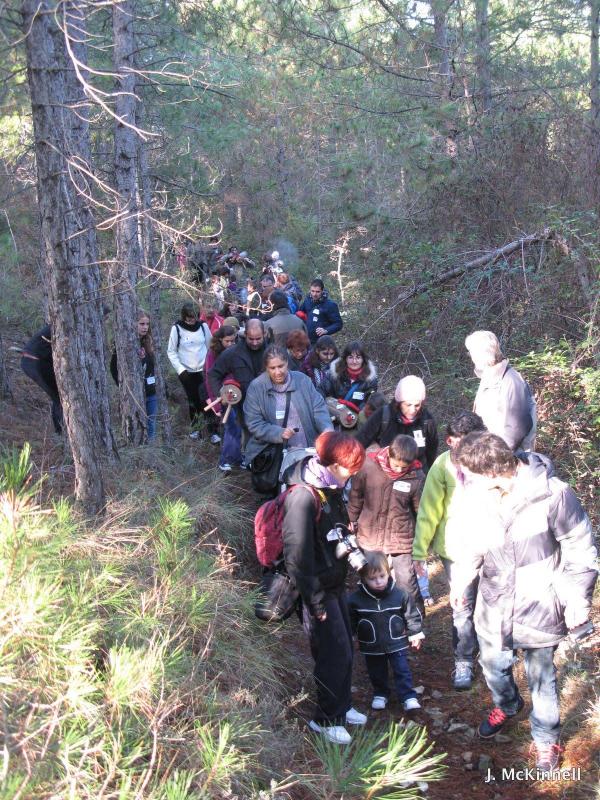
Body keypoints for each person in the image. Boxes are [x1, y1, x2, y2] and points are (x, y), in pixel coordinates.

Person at [450, 432, 597, 772]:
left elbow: (581, 548)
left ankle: (546, 740)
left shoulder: (554, 494)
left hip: (540, 603)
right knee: (493, 667)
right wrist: (461, 579)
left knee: (542, 679)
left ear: (493, 472)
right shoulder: (479, 496)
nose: (466, 483)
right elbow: (471, 542)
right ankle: (507, 703)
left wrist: (577, 601)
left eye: (471, 476)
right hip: (494, 602)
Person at [281, 431, 368, 744]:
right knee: (333, 653)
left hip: (334, 583)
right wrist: (315, 602)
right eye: (349, 470)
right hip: (316, 590)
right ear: (332, 463)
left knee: (345, 649)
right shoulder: (302, 497)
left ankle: (341, 708)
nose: (352, 476)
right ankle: (326, 719)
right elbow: (296, 555)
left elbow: (331, 531)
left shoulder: (330, 488)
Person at [412, 411, 486, 690]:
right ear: (450, 441)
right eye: (462, 441)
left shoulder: (491, 462)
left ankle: (492, 655)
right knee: (462, 606)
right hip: (455, 550)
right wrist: (419, 552)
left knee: (490, 604)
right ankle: (464, 659)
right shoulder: (442, 466)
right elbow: (429, 511)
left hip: (492, 549)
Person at [348, 434, 426, 615]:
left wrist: (423, 539)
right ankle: (369, 617)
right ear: (389, 454)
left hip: (401, 535)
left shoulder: (416, 476)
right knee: (371, 577)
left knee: (406, 580)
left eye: (403, 467)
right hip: (370, 533)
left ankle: (414, 621)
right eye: (395, 464)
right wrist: (351, 519)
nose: (399, 469)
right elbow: (356, 496)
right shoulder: (368, 466)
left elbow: (420, 509)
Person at [348, 551, 424, 712]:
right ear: (363, 578)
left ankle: (408, 696)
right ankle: (380, 693)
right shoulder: (355, 600)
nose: (378, 582)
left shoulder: (399, 595)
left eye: (382, 576)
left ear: (388, 573)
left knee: (402, 669)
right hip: (371, 645)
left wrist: (415, 633)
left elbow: (411, 614)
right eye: (372, 579)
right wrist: (350, 636)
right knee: (376, 671)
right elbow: (351, 620)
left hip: (397, 642)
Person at [243, 345, 333, 468]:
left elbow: (318, 408)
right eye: (272, 368)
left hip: (306, 447)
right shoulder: (256, 388)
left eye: (281, 366)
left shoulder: (303, 380)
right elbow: (254, 423)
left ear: (287, 363)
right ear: (266, 368)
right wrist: (278, 433)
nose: (277, 372)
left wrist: (327, 430)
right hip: (273, 454)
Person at [465, 331, 536, 451]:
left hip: (508, 459)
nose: (471, 357)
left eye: (473, 352)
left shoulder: (511, 380)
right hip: (490, 454)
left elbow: (516, 429)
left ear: (484, 353)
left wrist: (497, 457)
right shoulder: (489, 378)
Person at [208, 319, 267, 459]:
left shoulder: (272, 351)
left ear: (264, 334)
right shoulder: (233, 353)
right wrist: (221, 394)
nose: (254, 342)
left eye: (258, 338)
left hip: (268, 404)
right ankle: (250, 462)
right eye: (251, 338)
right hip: (244, 407)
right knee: (248, 437)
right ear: (244, 334)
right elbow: (213, 374)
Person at [356, 375, 439, 471]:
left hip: (414, 475)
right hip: (386, 471)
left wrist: (428, 474)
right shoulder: (384, 414)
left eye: (417, 405)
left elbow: (431, 451)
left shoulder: (427, 421)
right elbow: (361, 439)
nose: (412, 410)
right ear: (399, 402)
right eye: (408, 405)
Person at [167, 302, 218, 442]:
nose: (191, 320)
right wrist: (180, 369)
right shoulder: (176, 328)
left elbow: (210, 347)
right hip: (186, 372)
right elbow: (171, 351)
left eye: (193, 317)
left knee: (207, 400)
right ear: (184, 316)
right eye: (188, 318)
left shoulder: (203, 326)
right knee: (193, 400)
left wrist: (209, 366)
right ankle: (195, 429)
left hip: (203, 371)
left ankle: (213, 431)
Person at [110, 310, 158, 440]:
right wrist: (123, 386)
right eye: (141, 324)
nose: (145, 327)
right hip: (134, 394)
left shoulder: (147, 342)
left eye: (147, 324)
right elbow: (113, 368)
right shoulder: (122, 343)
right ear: (133, 324)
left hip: (150, 392)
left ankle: (151, 454)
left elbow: (150, 367)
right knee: (136, 428)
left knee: (151, 426)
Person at [203, 325, 241, 471]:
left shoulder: (236, 351)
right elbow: (209, 378)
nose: (230, 344)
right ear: (220, 340)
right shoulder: (212, 354)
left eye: (233, 341)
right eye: (227, 341)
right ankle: (225, 460)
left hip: (237, 393)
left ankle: (237, 458)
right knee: (230, 427)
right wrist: (215, 402)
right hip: (222, 395)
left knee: (238, 427)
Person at [20, 323, 63, 435]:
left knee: (58, 396)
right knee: (61, 397)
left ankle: (61, 433)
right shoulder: (68, 323)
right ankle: (62, 433)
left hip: (30, 361)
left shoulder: (62, 321)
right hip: (36, 362)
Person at [325, 341, 378, 410]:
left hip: (355, 417)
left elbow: (369, 403)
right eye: (350, 357)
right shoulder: (334, 373)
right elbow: (321, 391)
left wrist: (356, 411)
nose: (354, 361)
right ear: (345, 358)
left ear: (363, 359)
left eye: (358, 357)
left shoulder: (370, 380)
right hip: (333, 414)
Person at [298, 279, 343, 343]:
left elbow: (338, 324)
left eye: (317, 292)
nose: (314, 294)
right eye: (312, 291)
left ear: (322, 291)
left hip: (321, 342)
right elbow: (299, 313)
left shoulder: (330, 305)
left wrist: (326, 330)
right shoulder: (307, 301)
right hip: (306, 341)